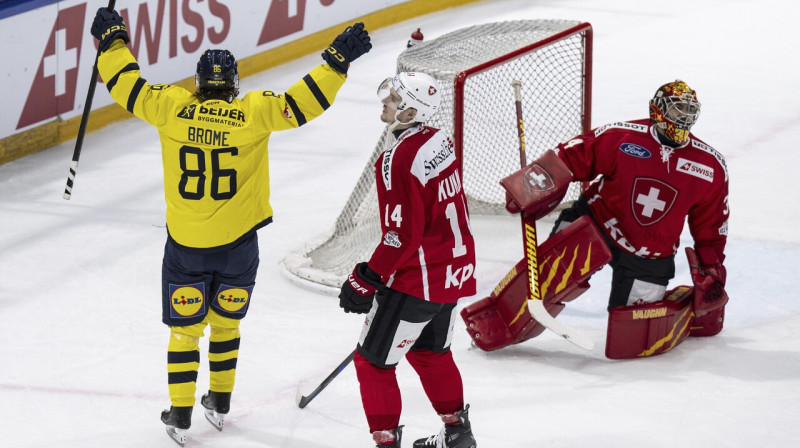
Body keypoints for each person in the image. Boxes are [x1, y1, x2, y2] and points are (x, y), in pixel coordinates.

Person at [89, 8, 371, 446]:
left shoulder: (170, 108)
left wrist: (112, 42)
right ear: (234, 84)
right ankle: (219, 402)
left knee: (185, 331)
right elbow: (303, 103)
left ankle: (180, 411)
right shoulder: (254, 113)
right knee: (226, 326)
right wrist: (336, 62)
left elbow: (125, 84)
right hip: (239, 248)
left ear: (198, 84)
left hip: (185, 247)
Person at [484, 79, 729, 357]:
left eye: (688, 111)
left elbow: (712, 228)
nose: (683, 118)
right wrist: (530, 185)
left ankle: (682, 306)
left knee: (633, 342)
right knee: (543, 283)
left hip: (650, 256)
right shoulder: (621, 137)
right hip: (594, 227)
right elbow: (570, 157)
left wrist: (712, 270)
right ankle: (496, 320)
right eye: (676, 111)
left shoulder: (710, 167)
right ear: (657, 110)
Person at [337, 72, 478, 448]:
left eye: (394, 100)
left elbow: (401, 236)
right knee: (430, 352)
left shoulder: (397, 159)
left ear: (412, 110)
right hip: (454, 270)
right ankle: (457, 434)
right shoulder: (439, 140)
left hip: (420, 279)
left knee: (372, 363)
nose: (385, 103)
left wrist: (367, 277)